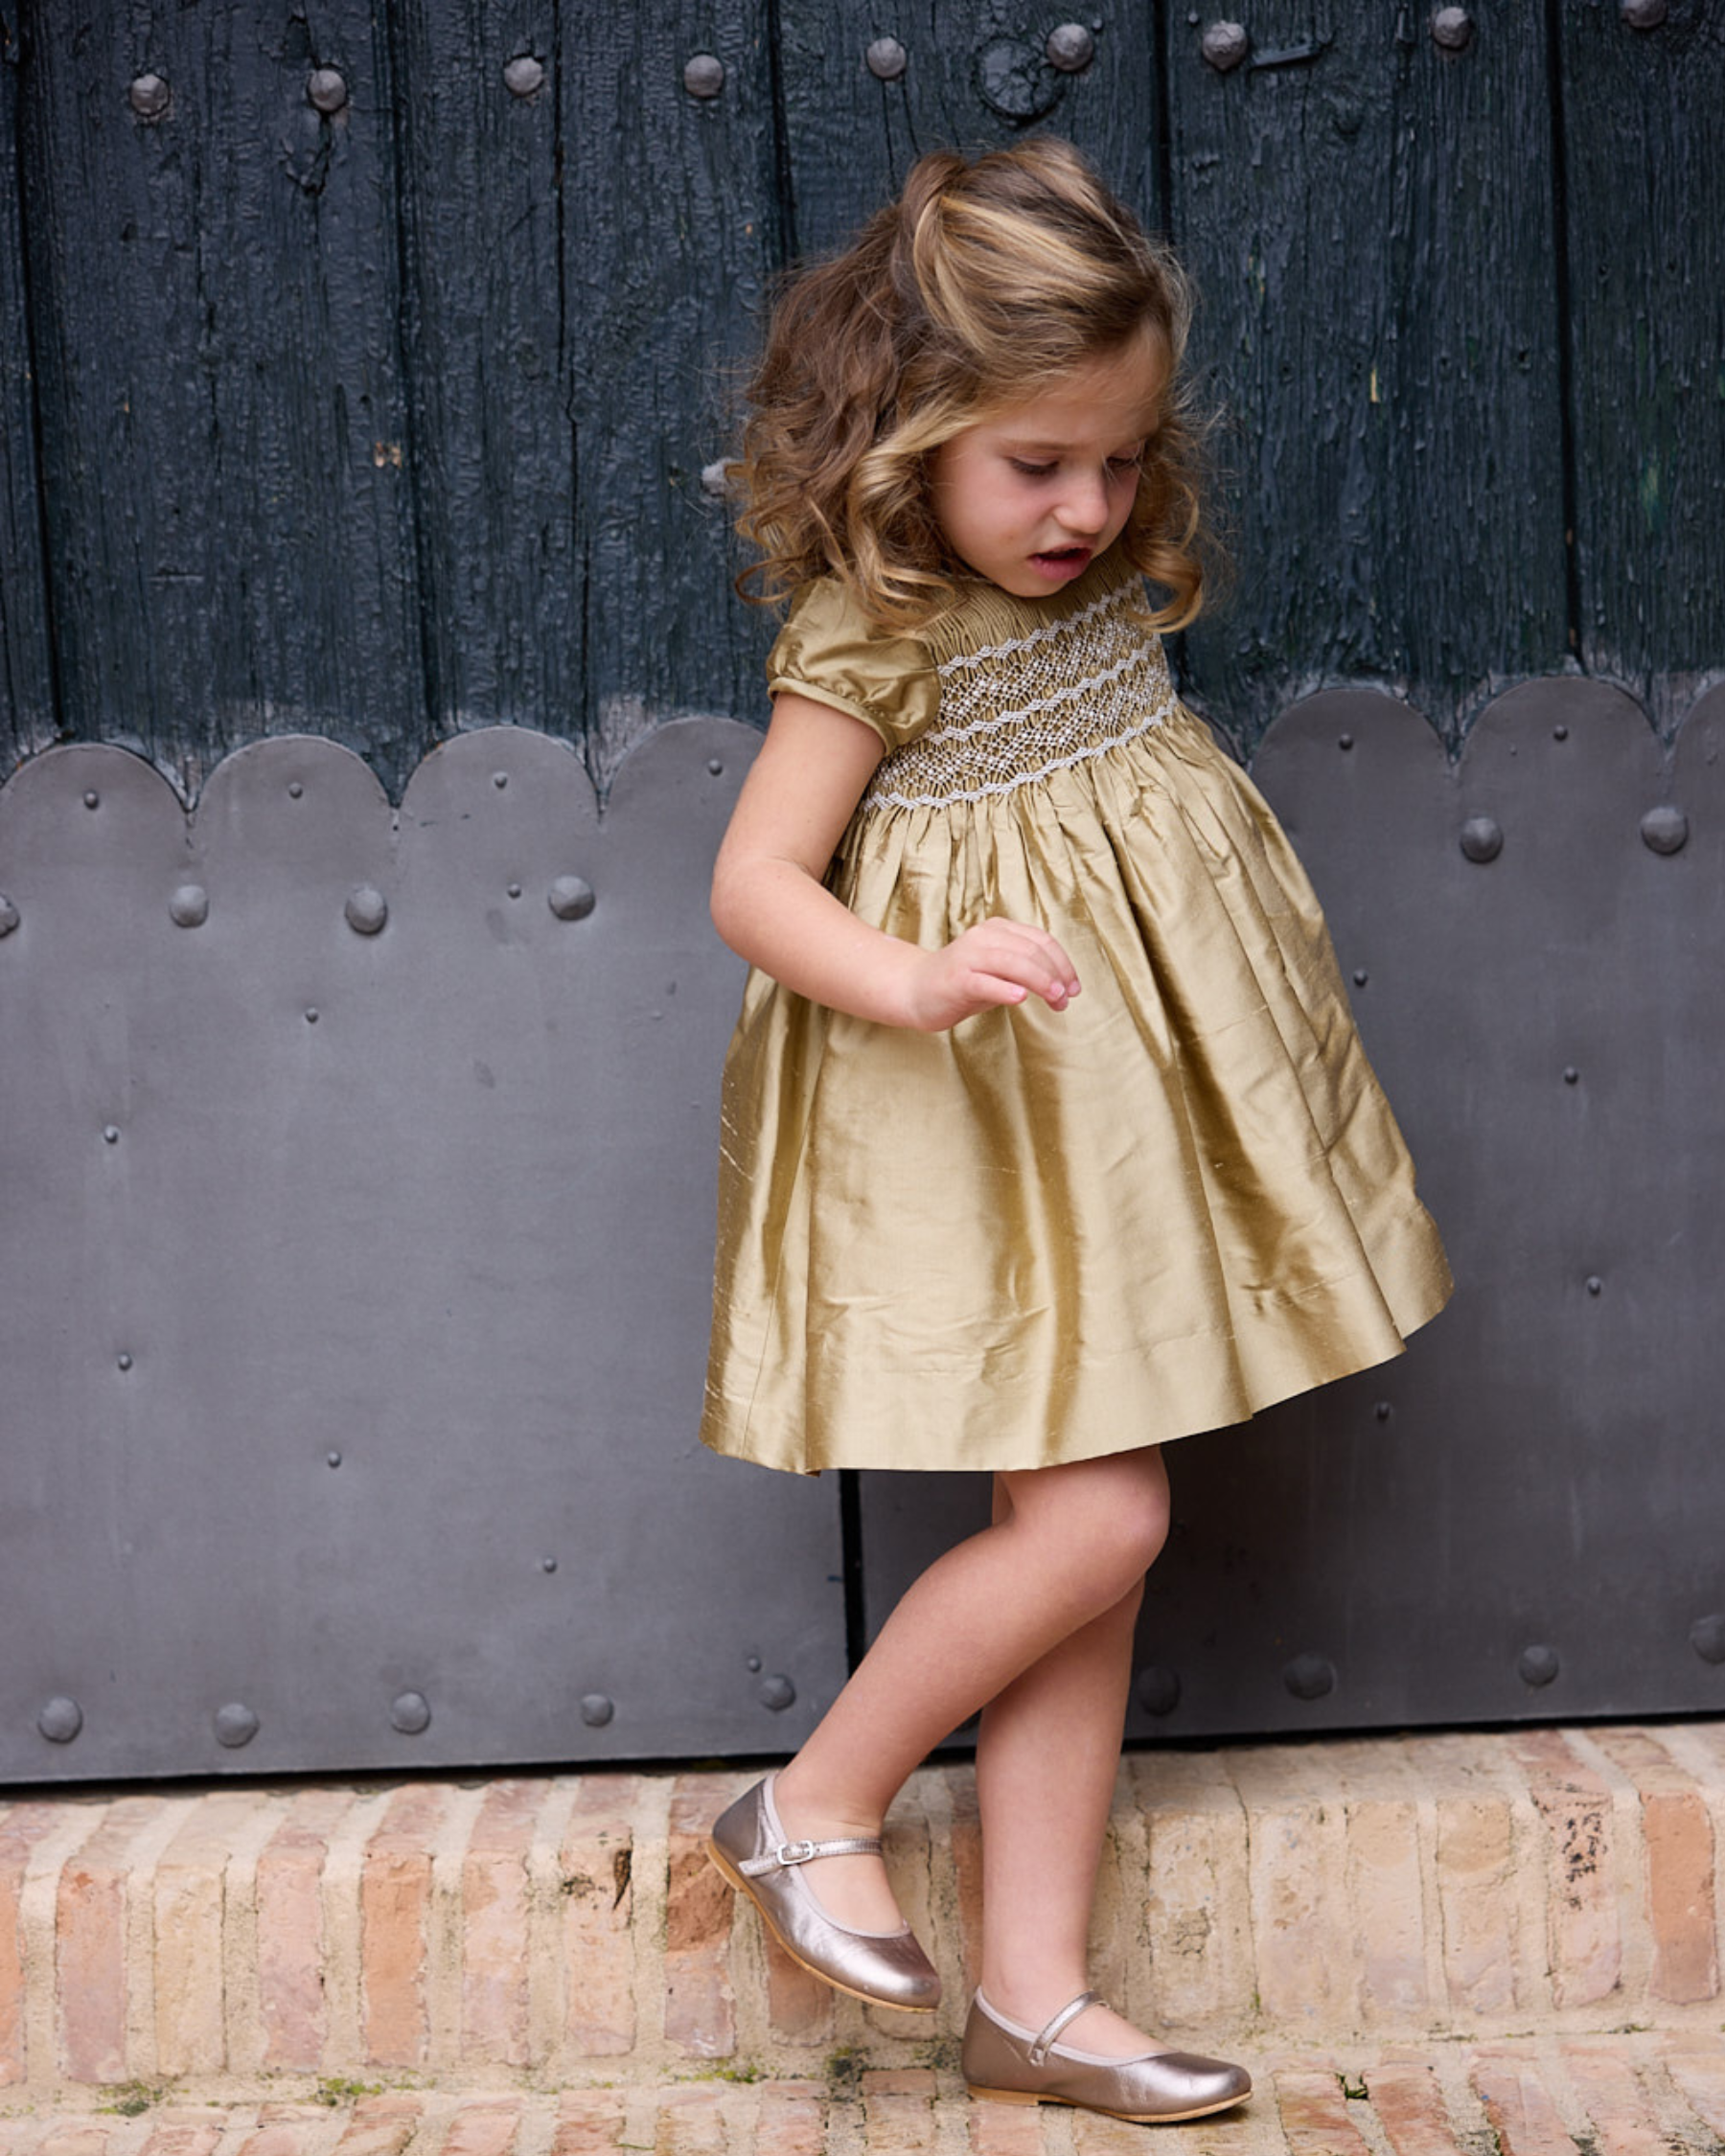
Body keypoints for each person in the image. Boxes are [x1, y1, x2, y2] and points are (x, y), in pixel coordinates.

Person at [697, 138, 1450, 2125]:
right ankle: (813, 1800)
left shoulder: (1101, 567)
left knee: (1086, 1548)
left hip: (1120, 1115)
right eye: (1035, 464)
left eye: (1116, 461)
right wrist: (911, 977)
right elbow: (759, 882)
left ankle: (1032, 1998)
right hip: (988, 1110)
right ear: (911, 434)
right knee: (1102, 1519)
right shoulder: (878, 628)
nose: (1087, 507)